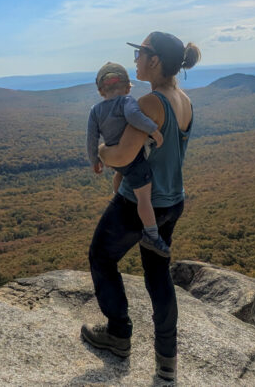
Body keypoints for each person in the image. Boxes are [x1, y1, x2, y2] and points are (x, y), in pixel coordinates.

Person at [80, 31, 200, 381]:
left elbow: (122, 154)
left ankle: (118, 334)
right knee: (158, 276)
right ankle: (166, 361)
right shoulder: (185, 100)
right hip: (172, 201)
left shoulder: (150, 104)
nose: (135, 60)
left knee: (101, 256)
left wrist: (101, 153)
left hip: (138, 201)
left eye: (140, 53)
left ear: (155, 61)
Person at [86, 62, 170, 257]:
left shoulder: (95, 111)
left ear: (100, 91)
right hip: (133, 161)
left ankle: (119, 197)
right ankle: (152, 234)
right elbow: (134, 116)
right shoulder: (126, 101)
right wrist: (153, 131)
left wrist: (94, 161)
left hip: (115, 161)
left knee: (120, 174)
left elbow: (91, 139)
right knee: (144, 198)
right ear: (127, 87)